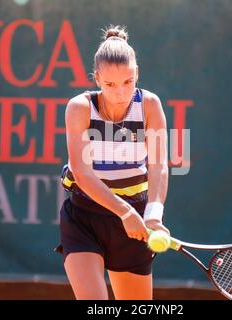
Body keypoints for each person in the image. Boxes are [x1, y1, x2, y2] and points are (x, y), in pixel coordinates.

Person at [56, 25, 170, 300]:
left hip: (135, 220)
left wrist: (153, 213)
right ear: (96, 79)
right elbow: (81, 173)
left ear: (137, 74)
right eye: (110, 84)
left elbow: (158, 165)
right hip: (84, 219)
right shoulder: (79, 108)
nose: (120, 92)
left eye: (128, 82)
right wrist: (125, 213)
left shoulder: (150, 105)